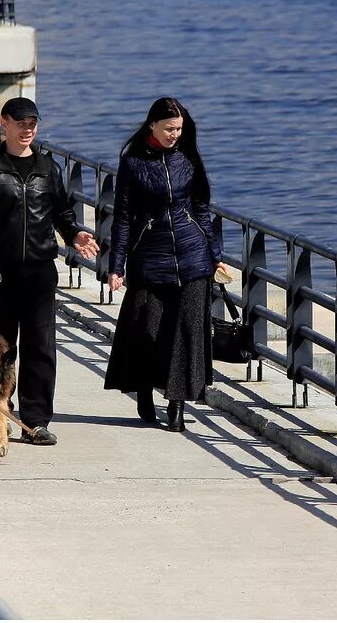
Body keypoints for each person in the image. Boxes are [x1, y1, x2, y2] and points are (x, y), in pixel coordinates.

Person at [0, 97, 99, 445]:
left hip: (39, 272)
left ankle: (36, 420)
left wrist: (74, 233)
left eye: (33, 122)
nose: (28, 128)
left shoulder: (49, 169)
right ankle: (0, 411)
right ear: (4, 123)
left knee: (41, 346)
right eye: (20, 122)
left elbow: (62, 213)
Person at [103, 97, 227, 432]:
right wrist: (116, 264)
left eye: (179, 129)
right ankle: (144, 387)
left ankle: (177, 406)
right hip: (150, 256)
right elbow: (123, 218)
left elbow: (202, 208)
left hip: (193, 254)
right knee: (147, 329)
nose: (175, 134)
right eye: (169, 128)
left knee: (186, 333)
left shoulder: (188, 156)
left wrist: (215, 254)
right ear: (152, 125)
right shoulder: (132, 163)